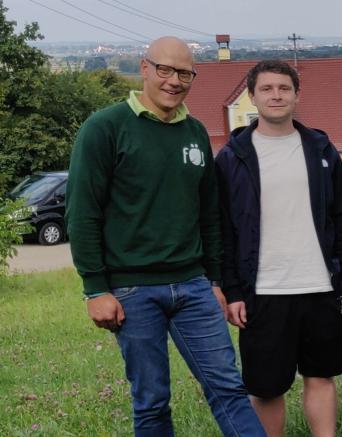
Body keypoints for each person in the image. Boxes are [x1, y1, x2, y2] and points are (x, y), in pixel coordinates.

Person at [67, 36, 265, 436]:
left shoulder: (195, 133)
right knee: (152, 401)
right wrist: (95, 288)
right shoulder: (104, 128)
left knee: (229, 388)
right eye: (165, 70)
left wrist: (214, 280)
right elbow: (83, 213)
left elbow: (208, 214)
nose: (174, 81)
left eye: (184, 73)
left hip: (194, 287)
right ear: (144, 68)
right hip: (132, 290)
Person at [216, 60, 342, 437]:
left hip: (320, 286)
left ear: (298, 95)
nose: (276, 95)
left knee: (321, 376)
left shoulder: (320, 148)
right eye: (267, 89)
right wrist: (233, 291)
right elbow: (223, 231)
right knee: (266, 388)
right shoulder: (233, 157)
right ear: (252, 96)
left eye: (284, 88)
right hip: (263, 291)